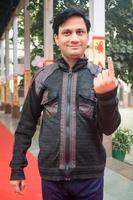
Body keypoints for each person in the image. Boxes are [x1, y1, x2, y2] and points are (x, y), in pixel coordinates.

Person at [10, 7, 121, 200]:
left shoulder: (100, 77)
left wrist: (107, 97)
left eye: (80, 32)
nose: (74, 38)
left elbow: (109, 128)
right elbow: (26, 125)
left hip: (90, 176)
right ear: (56, 39)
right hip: (52, 177)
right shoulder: (43, 77)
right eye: (66, 32)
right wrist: (17, 168)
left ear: (87, 37)